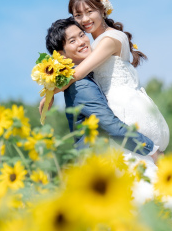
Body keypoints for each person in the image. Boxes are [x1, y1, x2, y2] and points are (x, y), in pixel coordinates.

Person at [40, 0, 169, 173]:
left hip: (125, 110)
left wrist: (50, 92)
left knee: (134, 169)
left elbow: (78, 74)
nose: (84, 20)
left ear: (102, 9)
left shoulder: (108, 40)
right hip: (121, 109)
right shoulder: (95, 43)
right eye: (78, 15)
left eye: (89, 11)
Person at [43, 17, 156, 158]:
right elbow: (112, 126)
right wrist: (152, 151)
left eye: (82, 35)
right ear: (61, 55)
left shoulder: (88, 76)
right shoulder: (80, 85)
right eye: (72, 41)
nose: (82, 42)